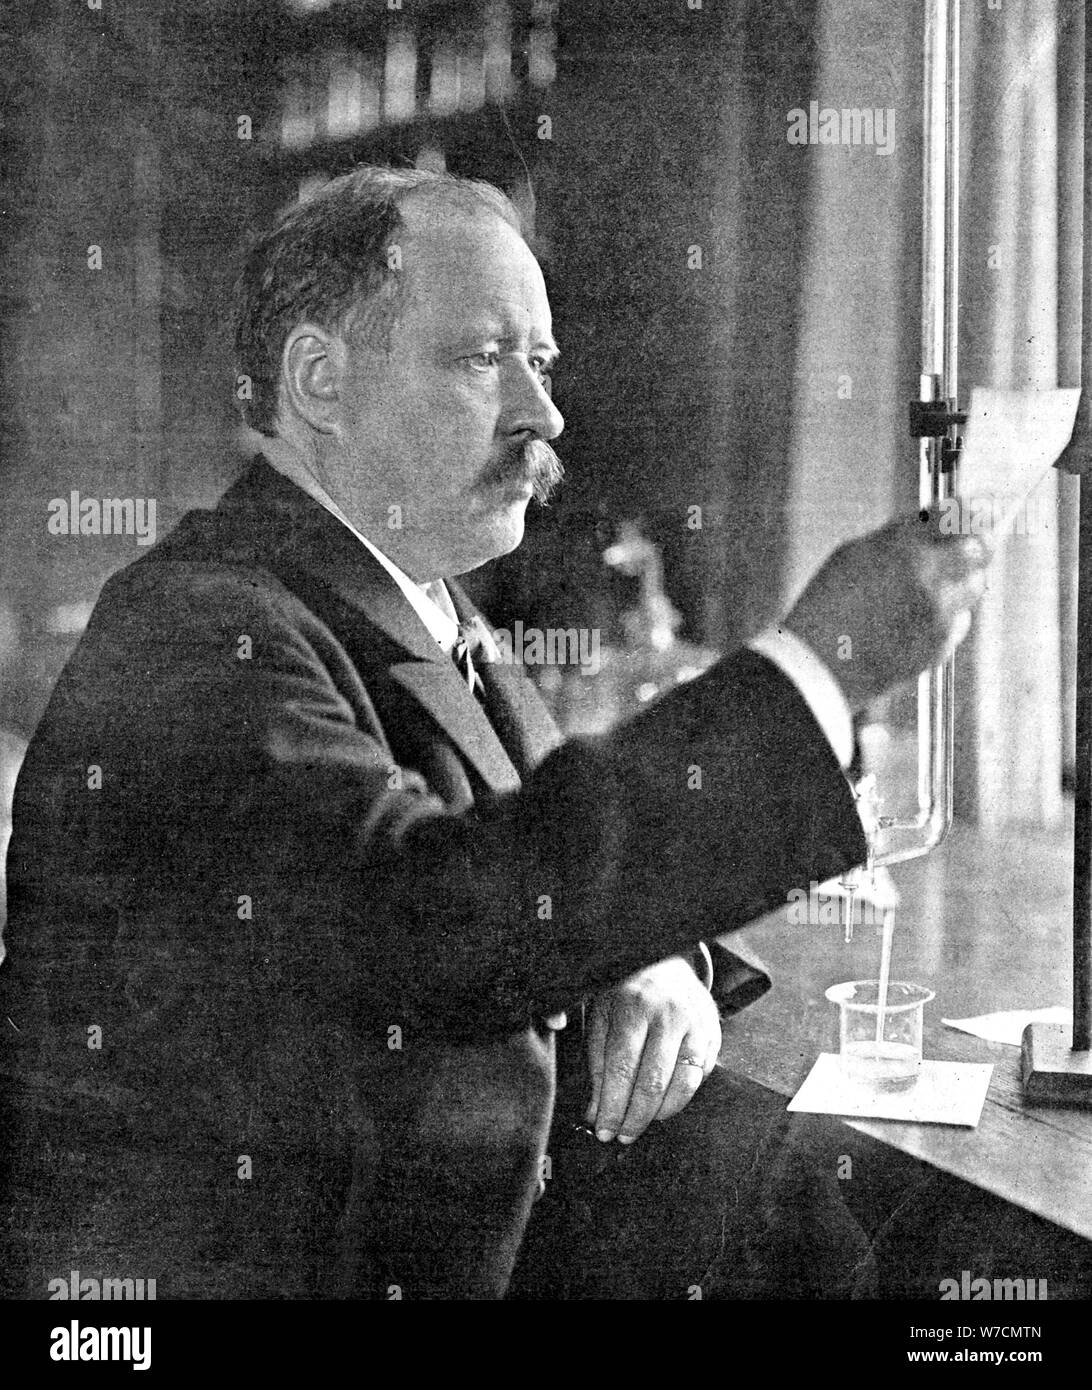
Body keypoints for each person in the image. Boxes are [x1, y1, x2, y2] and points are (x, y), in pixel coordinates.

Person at [0, 166, 988, 1300]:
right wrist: (821, 665)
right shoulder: (199, 626)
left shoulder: (412, 593)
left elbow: (533, 849)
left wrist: (646, 949)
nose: (545, 415)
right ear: (320, 379)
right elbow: (435, 916)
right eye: (483, 359)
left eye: (545, 362)